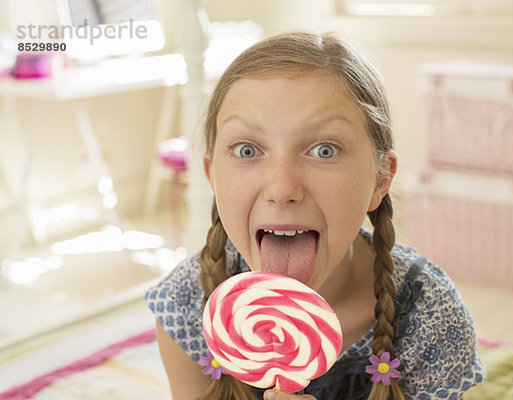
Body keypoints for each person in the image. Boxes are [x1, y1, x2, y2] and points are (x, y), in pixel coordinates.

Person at [146, 31, 486, 400]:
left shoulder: (429, 314)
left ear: (380, 179)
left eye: (324, 150)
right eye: (247, 150)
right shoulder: (188, 304)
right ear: (212, 176)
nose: (282, 188)